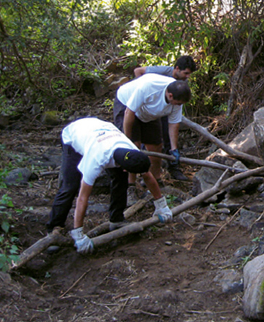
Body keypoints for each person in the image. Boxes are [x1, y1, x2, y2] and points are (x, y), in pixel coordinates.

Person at [46, 117, 173, 254]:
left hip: (99, 131)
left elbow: (147, 176)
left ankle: (116, 219)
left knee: (120, 179)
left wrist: (161, 205)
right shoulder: (96, 159)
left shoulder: (130, 150)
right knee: (69, 187)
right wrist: (78, 233)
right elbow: (83, 197)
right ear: (125, 168)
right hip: (74, 136)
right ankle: (54, 228)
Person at [114, 73, 191, 201]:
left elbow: (173, 124)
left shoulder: (178, 97)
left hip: (149, 113)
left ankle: (155, 180)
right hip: (127, 106)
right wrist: (127, 141)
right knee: (134, 148)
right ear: (170, 96)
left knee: (156, 147)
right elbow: (129, 112)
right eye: (177, 103)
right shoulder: (149, 87)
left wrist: (174, 148)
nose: (178, 106)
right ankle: (131, 185)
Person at [133, 56, 196, 181]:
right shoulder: (161, 71)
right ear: (177, 68)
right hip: (152, 107)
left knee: (169, 137)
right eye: (186, 73)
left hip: (169, 108)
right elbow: (138, 71)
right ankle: (144, 173)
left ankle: (173, 167)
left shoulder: (182, 82)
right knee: (150, 139)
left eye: (190, 74)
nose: (188, 76)